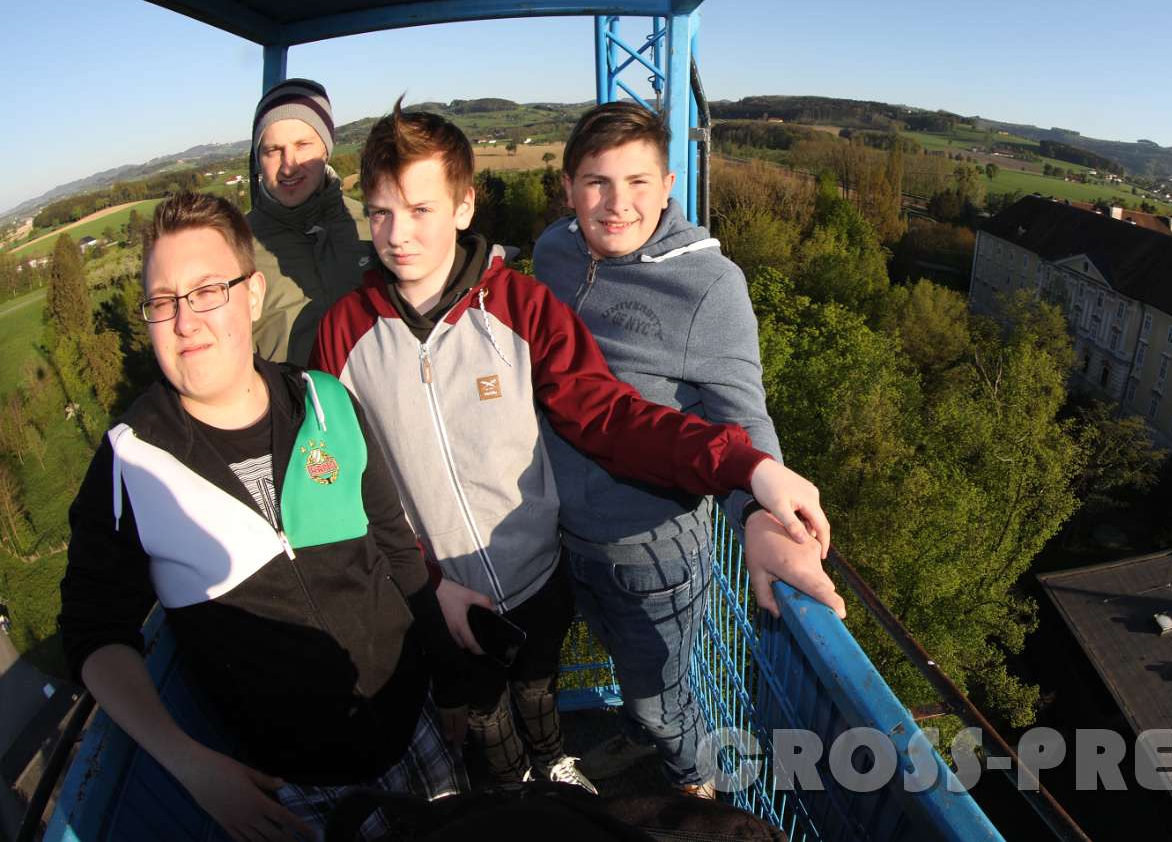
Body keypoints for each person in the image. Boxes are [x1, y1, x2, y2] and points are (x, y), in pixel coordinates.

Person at [310, 100, 833, 798]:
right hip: (449, 583)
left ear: (464, 206)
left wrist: (752, 474)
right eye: (380, 213)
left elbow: (610, 415)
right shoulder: (344, 334)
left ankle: (625, 778)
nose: (399, 235)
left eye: (421, 210)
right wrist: (424, 584)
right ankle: (519, 796)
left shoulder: (523, 306)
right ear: (569, 190)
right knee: (485, 713)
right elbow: (346, 484)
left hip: (550, 565)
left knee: (548, 685)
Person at [59, 193, 468, 842]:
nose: (185, 320)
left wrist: (448, 679)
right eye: (162, 301)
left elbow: (396, 546)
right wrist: (190, 764)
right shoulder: (130, 463)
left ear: (251, 295)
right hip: (292, 791)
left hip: (414, 722)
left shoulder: (327, 401)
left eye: (207, 291)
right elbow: (93, 633)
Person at [533, 101, 843, 793]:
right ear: (568, 187)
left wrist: (761, 516)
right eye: (597, 182)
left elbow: (744, 417)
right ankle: (642, 742)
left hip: (653, 550)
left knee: (661, 698)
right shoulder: (554, 251)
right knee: (625, 673)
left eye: (638, 182)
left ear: (669, 184)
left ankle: (694, 786)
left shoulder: (709, 285)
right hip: (565, 536)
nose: (617, 204)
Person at [248, 78, 375, 365]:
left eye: (303, 145)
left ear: (325, 149)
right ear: (258, 159)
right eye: (273, 150)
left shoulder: (373, 225)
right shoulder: (236, 248)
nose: (288, 165)